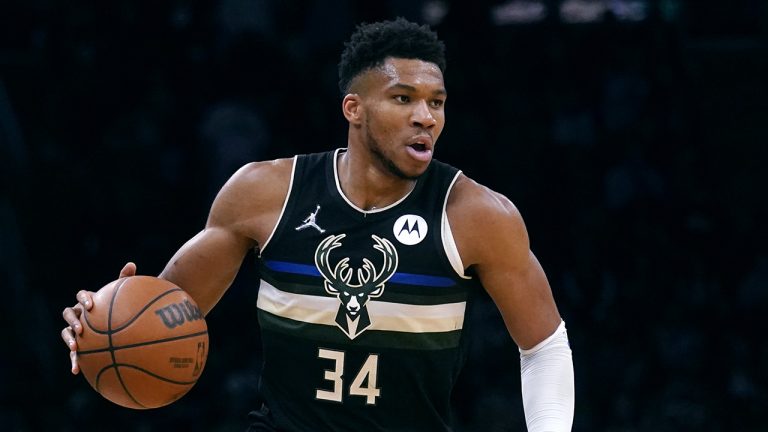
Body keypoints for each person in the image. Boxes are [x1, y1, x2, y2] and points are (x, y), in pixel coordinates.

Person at [62, 18, 574, 431]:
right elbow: (170, 310)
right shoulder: (265, 192)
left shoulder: (476, 214)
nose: (427, 117)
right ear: (354, 108)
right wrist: (103, 319)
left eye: (435, 102)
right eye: (404, 99)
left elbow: (544, 346)